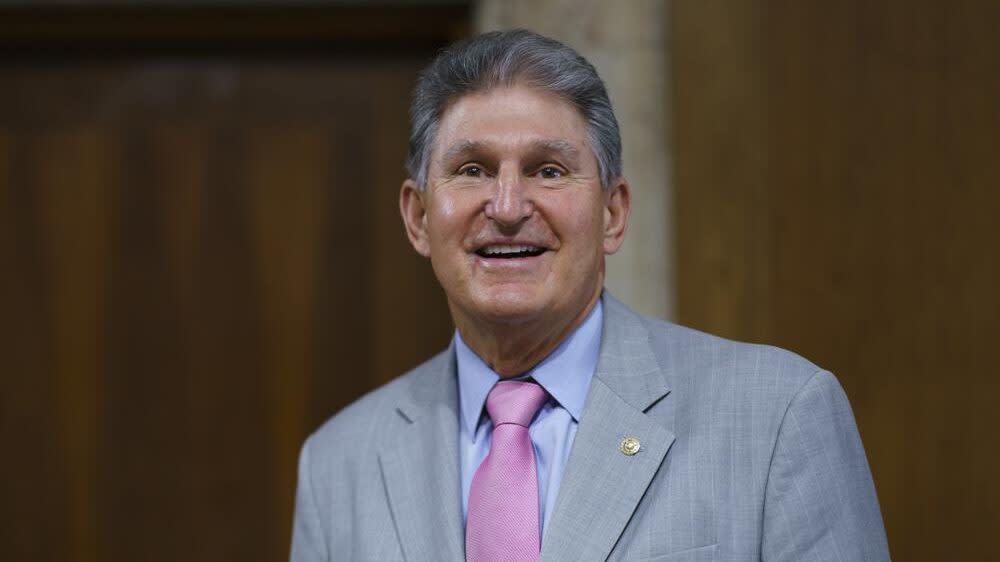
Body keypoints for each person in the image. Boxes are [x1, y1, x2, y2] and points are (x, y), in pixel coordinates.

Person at [290, 29, 889, 562]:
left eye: (548, 170)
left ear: (612, 213)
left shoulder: (777, 417)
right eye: (472, 169)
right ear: (419, 217)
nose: (506, 208)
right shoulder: (338, 463)